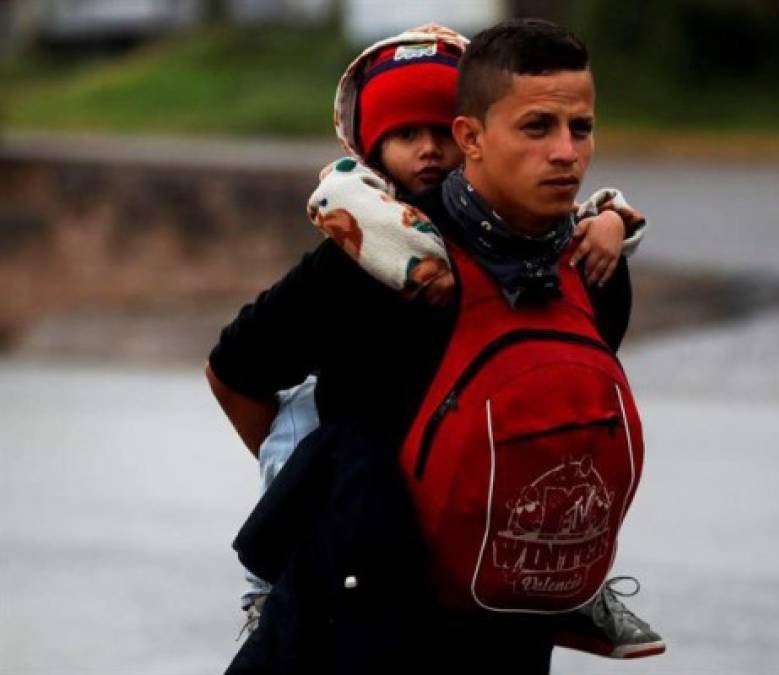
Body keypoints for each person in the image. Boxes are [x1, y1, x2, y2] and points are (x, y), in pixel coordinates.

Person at [208, 19, 656, 674]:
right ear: (470, 135)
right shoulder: (380, 253)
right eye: (537, 128)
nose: (565, 152)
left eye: (579, 129)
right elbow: (234, 371)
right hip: (345, 625)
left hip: (501, 625)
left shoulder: (592, 265)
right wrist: (323, 482)